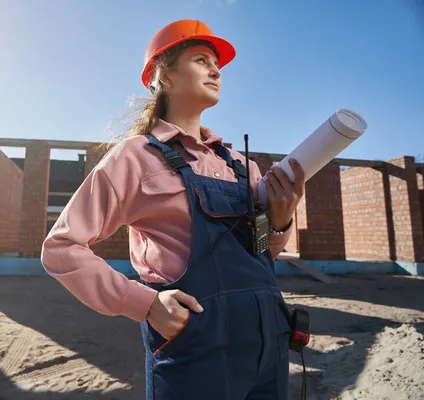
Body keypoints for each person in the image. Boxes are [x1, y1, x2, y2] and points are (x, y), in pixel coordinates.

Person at [41, 19, 305, 400]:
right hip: (197, 346)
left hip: (270, 343)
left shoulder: (242, 166)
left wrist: (279, 221)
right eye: (201, 60)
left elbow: (261, 255)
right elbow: (61, 247)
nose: (216, 70)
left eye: (217, 64)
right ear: (163, 77)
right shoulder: (136, 157)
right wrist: (144, 303)